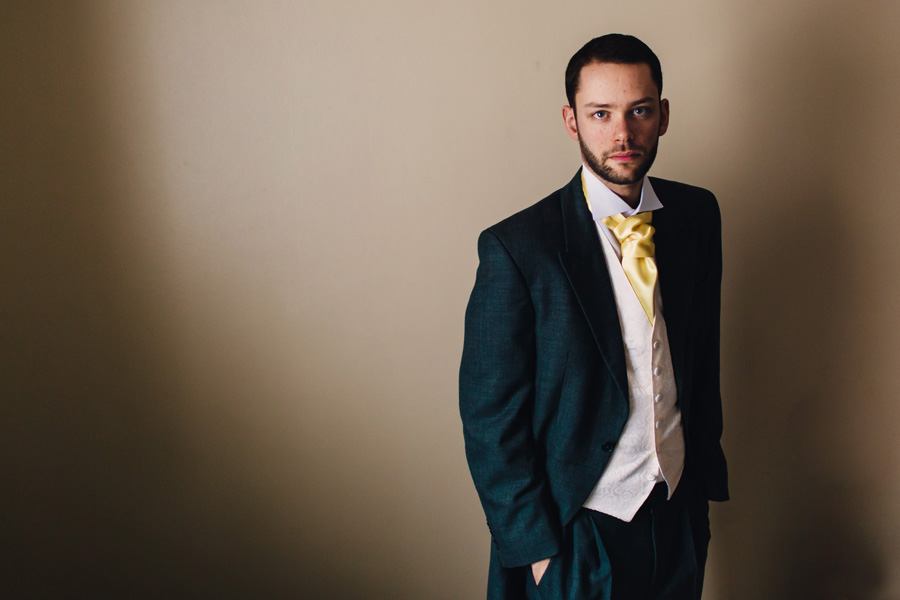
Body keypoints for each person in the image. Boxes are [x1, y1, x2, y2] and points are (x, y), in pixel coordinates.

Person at [459, 34, 729, 600]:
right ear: (571, 121)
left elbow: (702, 361)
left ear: (663, 116)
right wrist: (536, 551)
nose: (622, 133)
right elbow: (490, 419)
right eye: (600, 113)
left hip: (676, 514)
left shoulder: (697, 215)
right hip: (576, 532)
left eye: (639, 111)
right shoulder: (518, 247)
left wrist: (698, 494)